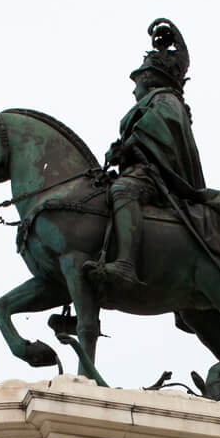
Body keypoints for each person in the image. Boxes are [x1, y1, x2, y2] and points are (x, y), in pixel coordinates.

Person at [84, 19, 205, 295]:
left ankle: (126, 264)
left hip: (155, 176)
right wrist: (121, 152)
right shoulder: (153, 103)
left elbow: (162, 134)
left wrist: (129, 147)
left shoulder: (165, 100)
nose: (133, 89)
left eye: (137, 81)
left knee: (123, 191)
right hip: (138, 169)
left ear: (149, 80)